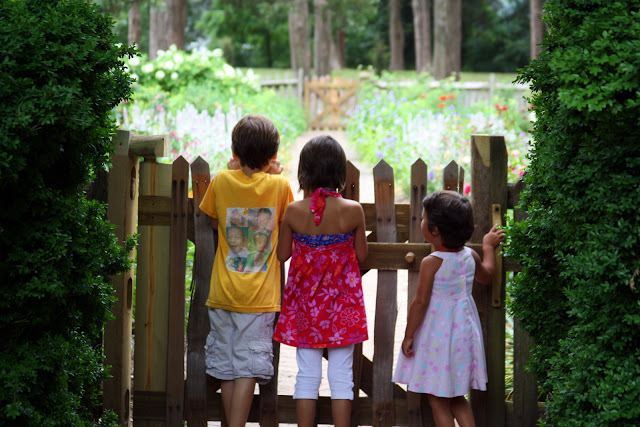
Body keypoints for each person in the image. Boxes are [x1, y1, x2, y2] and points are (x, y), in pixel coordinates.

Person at [199, 114, 294, 427]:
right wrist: (272, 172)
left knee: (228, 368)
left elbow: (213, 220)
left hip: (222, 293)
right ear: (273, 156)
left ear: (234, 151)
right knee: (247, 369)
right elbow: (285, 221)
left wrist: (231, 171)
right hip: (258, 298)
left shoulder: (222, 181)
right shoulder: (280, 187)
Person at [273, 135, 368, 427]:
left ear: (304, 172)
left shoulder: (294, 211)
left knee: (306, 375)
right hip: (343, 305)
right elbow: (361, 256)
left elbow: (282, 255)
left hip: (306, 307)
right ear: (340, 173)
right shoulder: (353, 211)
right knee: (342, 377)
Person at [392, 190, 505, 427]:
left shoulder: (431, 263)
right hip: (463, 335)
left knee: (437, 399)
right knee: (457, 398)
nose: (421, 222)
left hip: (438, 337)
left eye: (423, 219)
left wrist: (408, 335)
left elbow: (420, 302)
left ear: (435, 230)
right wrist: (487, 247)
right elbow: (487, 276)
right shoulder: (469, 256)